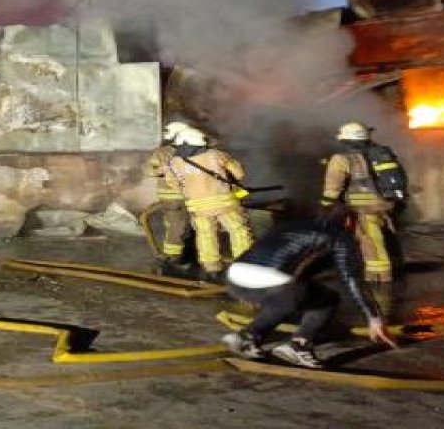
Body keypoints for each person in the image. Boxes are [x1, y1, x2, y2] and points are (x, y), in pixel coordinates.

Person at [222, 210, 400, 369]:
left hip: (234, 276)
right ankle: (299, 344)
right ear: (348, 223)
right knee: (325, 300)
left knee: (294, 296)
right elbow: (352, 279)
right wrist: (374, 318)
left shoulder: (293, 225)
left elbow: (289, 260)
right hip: (268, 280)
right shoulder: (339, 236)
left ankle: (247, 337)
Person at [164, 126, 254, 280]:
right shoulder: (215, 155)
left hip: (197, 206)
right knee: (238, 230)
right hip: (224, 203)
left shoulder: (173, 163)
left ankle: (211, 268)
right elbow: (239, 173)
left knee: (205, 234)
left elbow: (174, 184)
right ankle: (244, 265)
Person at [321, 121, 405, 282]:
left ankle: (380, 279)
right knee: (387, 238)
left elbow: (332, 189)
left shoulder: (341, 159)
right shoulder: (380, 154)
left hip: (364, 209)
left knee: (372, 244)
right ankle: (397, 268)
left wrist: (325, 206)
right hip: (387, 205)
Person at [145, 121, 193, 266]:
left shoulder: (194, 150)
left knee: (179, 224)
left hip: (189, 195)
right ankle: (173, 256)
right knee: (177, 224)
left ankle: (179, 253)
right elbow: (149, 171)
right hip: (173, 196)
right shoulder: (164, 152)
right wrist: (164, 170)